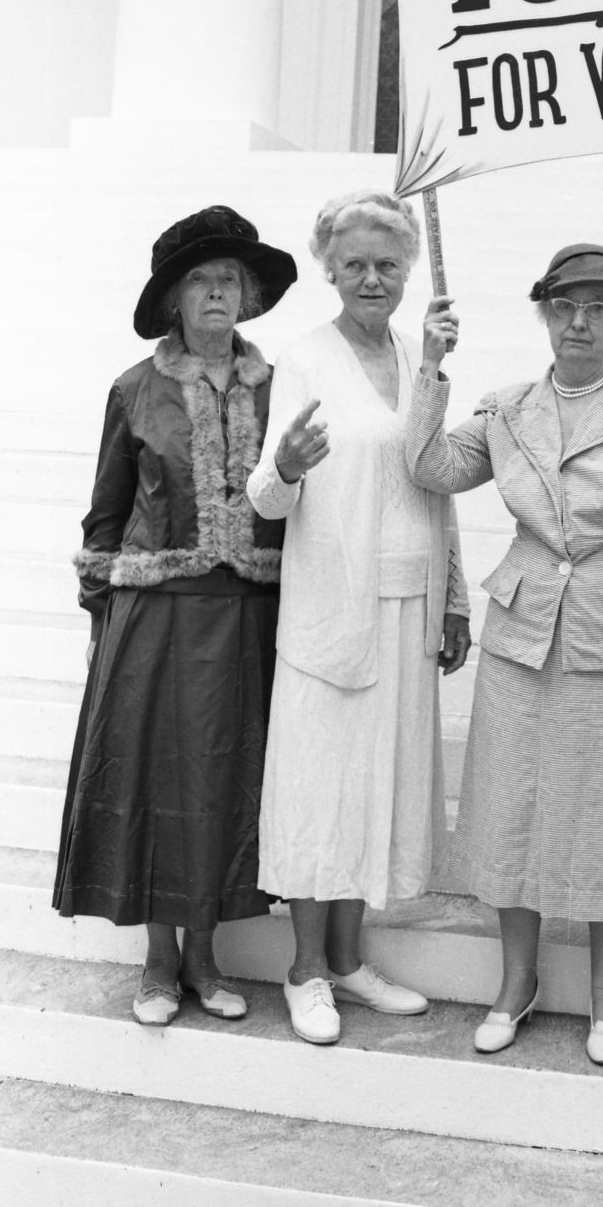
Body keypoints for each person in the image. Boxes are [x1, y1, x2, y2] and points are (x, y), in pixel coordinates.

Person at [407, 244, 603, 1067]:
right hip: (524, 632)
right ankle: (517, 981)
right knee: (511, 807)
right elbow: (426, 467)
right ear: (543, 312)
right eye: (566, 305)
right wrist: (432, 368)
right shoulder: (505, 410)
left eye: (601, 306)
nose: (581, 321)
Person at [54, 205, 299, 1025]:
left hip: (248, 617)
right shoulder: (135, 388)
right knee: (160, 780)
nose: (217, 292)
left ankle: (208, 958)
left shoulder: (283, 388)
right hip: (156, 616)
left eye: (230, 278)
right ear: (173, 301)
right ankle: (160, 965)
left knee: (225, 783)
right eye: (200, 280)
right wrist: (100, 618)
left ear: (252, 295)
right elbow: (104, 516)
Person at [247, 189, 471, 1046]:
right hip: (331, 612)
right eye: (355, 265)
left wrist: (453, 596)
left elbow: (437, 477)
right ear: (329, 270)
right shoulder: (301, 358)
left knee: (374, 792)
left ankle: (347, 958)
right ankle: (304, 969)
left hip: (408, 603)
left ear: (409, 270)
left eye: (387, 264)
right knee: (320, 792)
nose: (371, 278)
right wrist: (290, 467)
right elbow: (266, 498)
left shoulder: (422, 355)